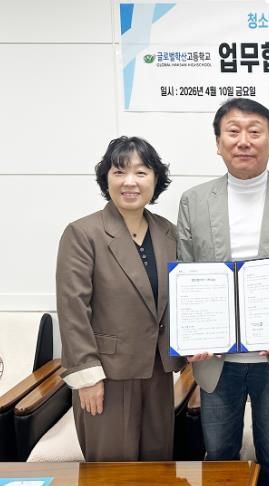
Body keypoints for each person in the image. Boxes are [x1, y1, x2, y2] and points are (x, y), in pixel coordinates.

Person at [177, 98, 269, 486]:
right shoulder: (194, 201)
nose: (244, 141)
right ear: (218, 142)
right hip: (216, 359)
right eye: (233, 131)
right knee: (219, 455)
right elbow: (186, 272)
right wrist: (193, 333)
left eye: (255, 132)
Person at [56, 136, 185, 461]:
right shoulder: (83, 233)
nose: (130, 181)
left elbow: (181, 300)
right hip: (107, 376)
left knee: (158, 467)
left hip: (158, 373)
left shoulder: (169, 233)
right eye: (119, 172)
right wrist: (87, 378)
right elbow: (73, 310)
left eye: (141, 172)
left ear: (155, 180)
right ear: (106, 179)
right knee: (112, 472)